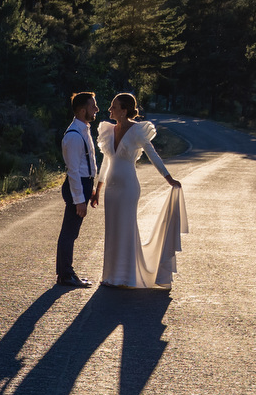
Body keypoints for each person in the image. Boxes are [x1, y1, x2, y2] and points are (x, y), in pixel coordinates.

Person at [96, 93, 186, 289]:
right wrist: (98, 188)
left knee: (126, 227)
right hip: (111, 187)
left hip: (128, 186)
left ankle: (126, 276)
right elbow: (105, 161)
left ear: (124, 110)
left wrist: (168, 178)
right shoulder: (108, 130)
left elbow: (152, 154)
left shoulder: (137, 131)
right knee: (112, 228)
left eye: (113, 106)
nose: (110, 110)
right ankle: (111, 275)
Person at [55, 91, 100, 288]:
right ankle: (66, 275)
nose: (96, 109)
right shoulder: (73, 135)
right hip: (77, 186)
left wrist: (89, 189)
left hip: (84, 184)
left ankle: (66, 273)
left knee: (71, 232)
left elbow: (85, 164)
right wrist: (79, 200)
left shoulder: (84, 129)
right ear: (82, 111)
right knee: (69, 233)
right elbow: (73, 171)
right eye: (93, 106)